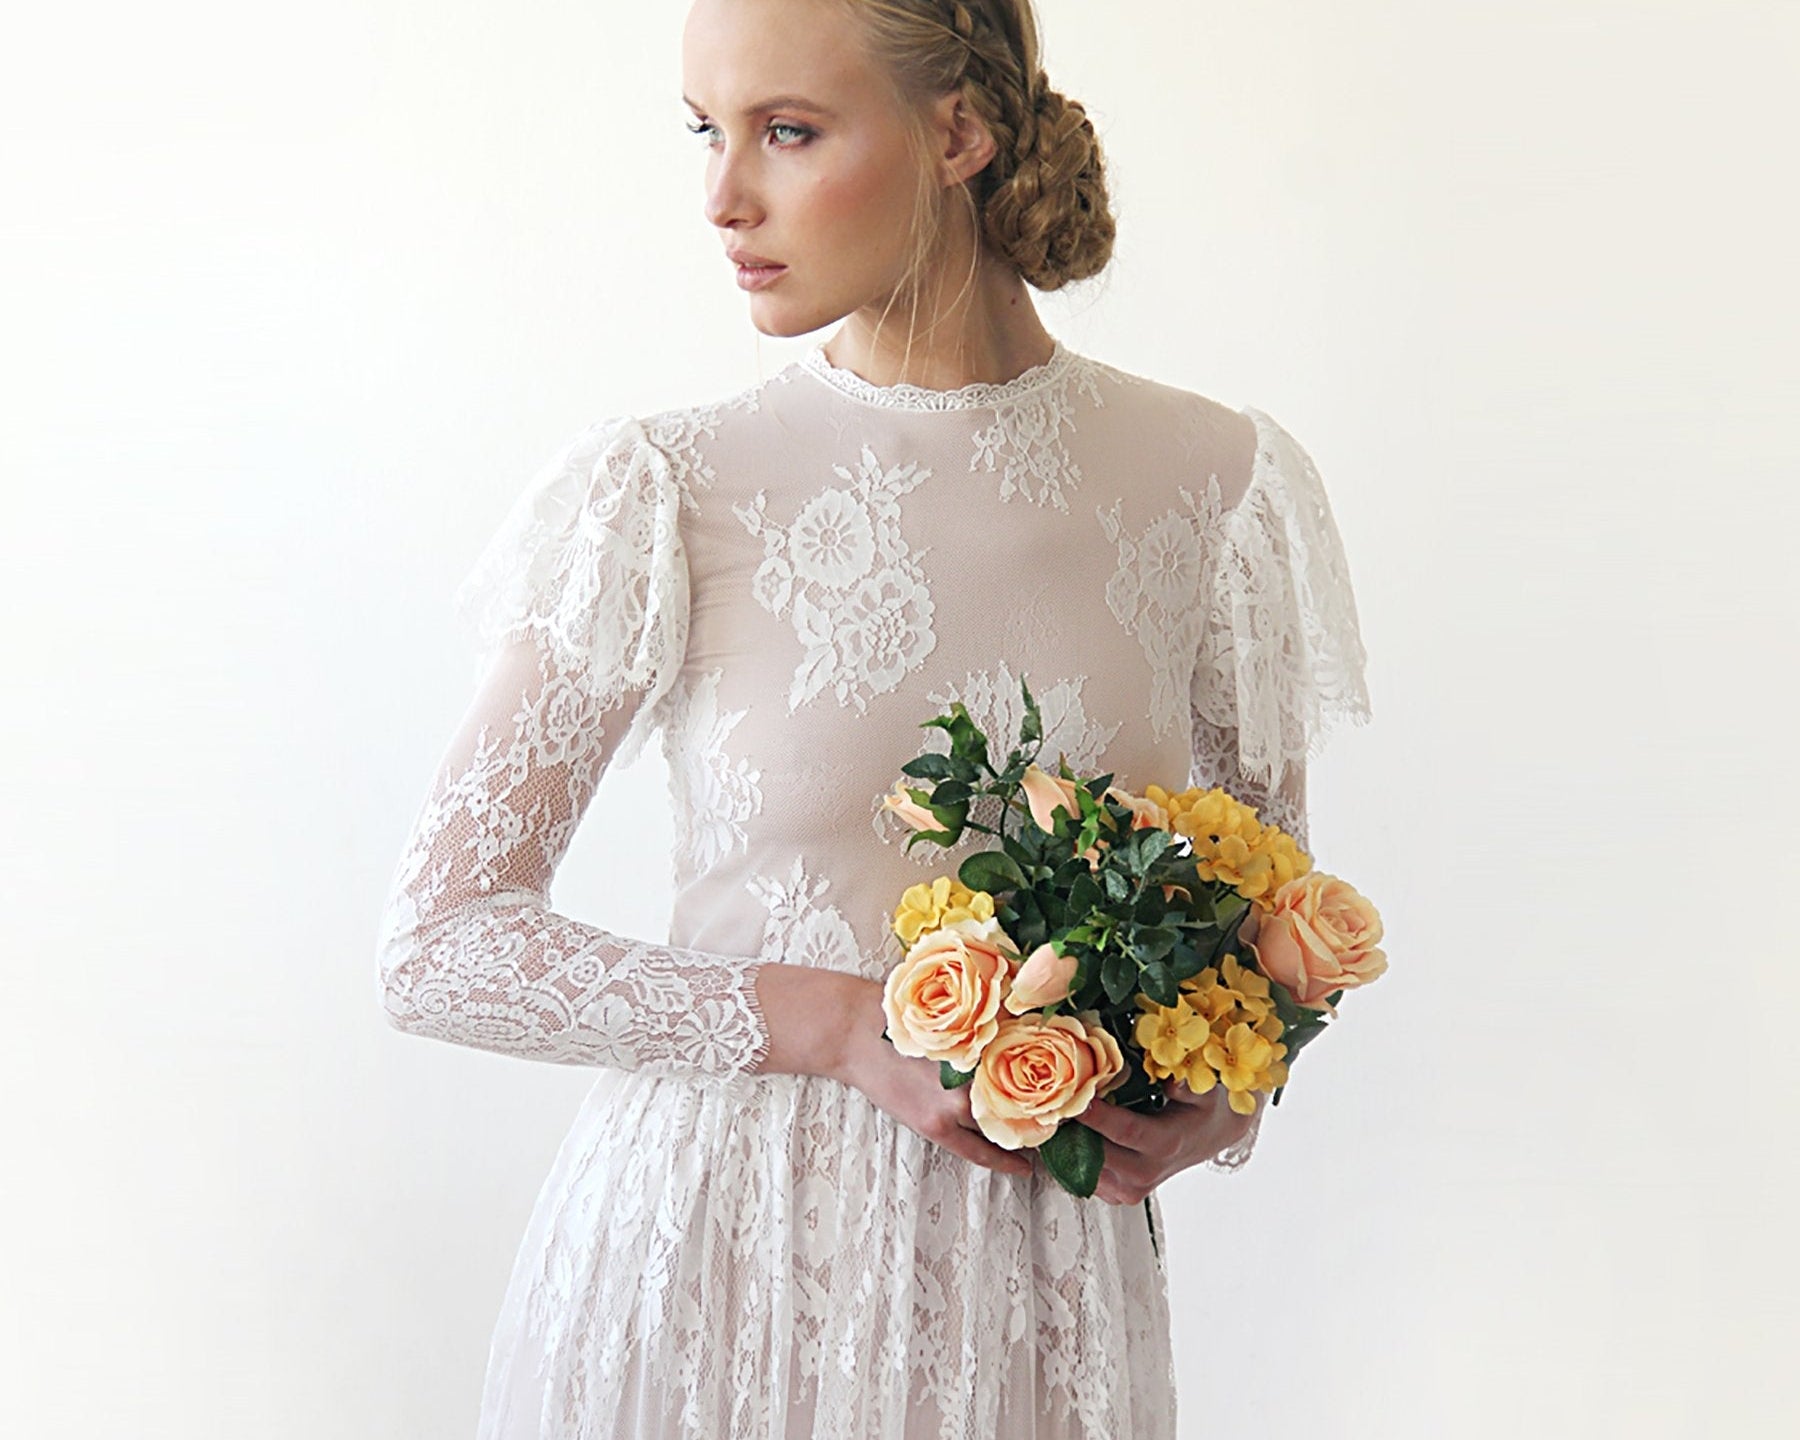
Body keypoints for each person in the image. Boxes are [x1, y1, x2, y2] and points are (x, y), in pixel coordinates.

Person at [373, 0, 1373, 1435]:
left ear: (959, 131)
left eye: (787, 131)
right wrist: (839, 1022)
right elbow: (440, 943)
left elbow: (1270, 925)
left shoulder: (1218, 487)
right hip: (711, 1275)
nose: (723, 196)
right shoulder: (663, 489)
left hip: (1039, 1298)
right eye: (707, 132)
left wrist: (1227, 1093)